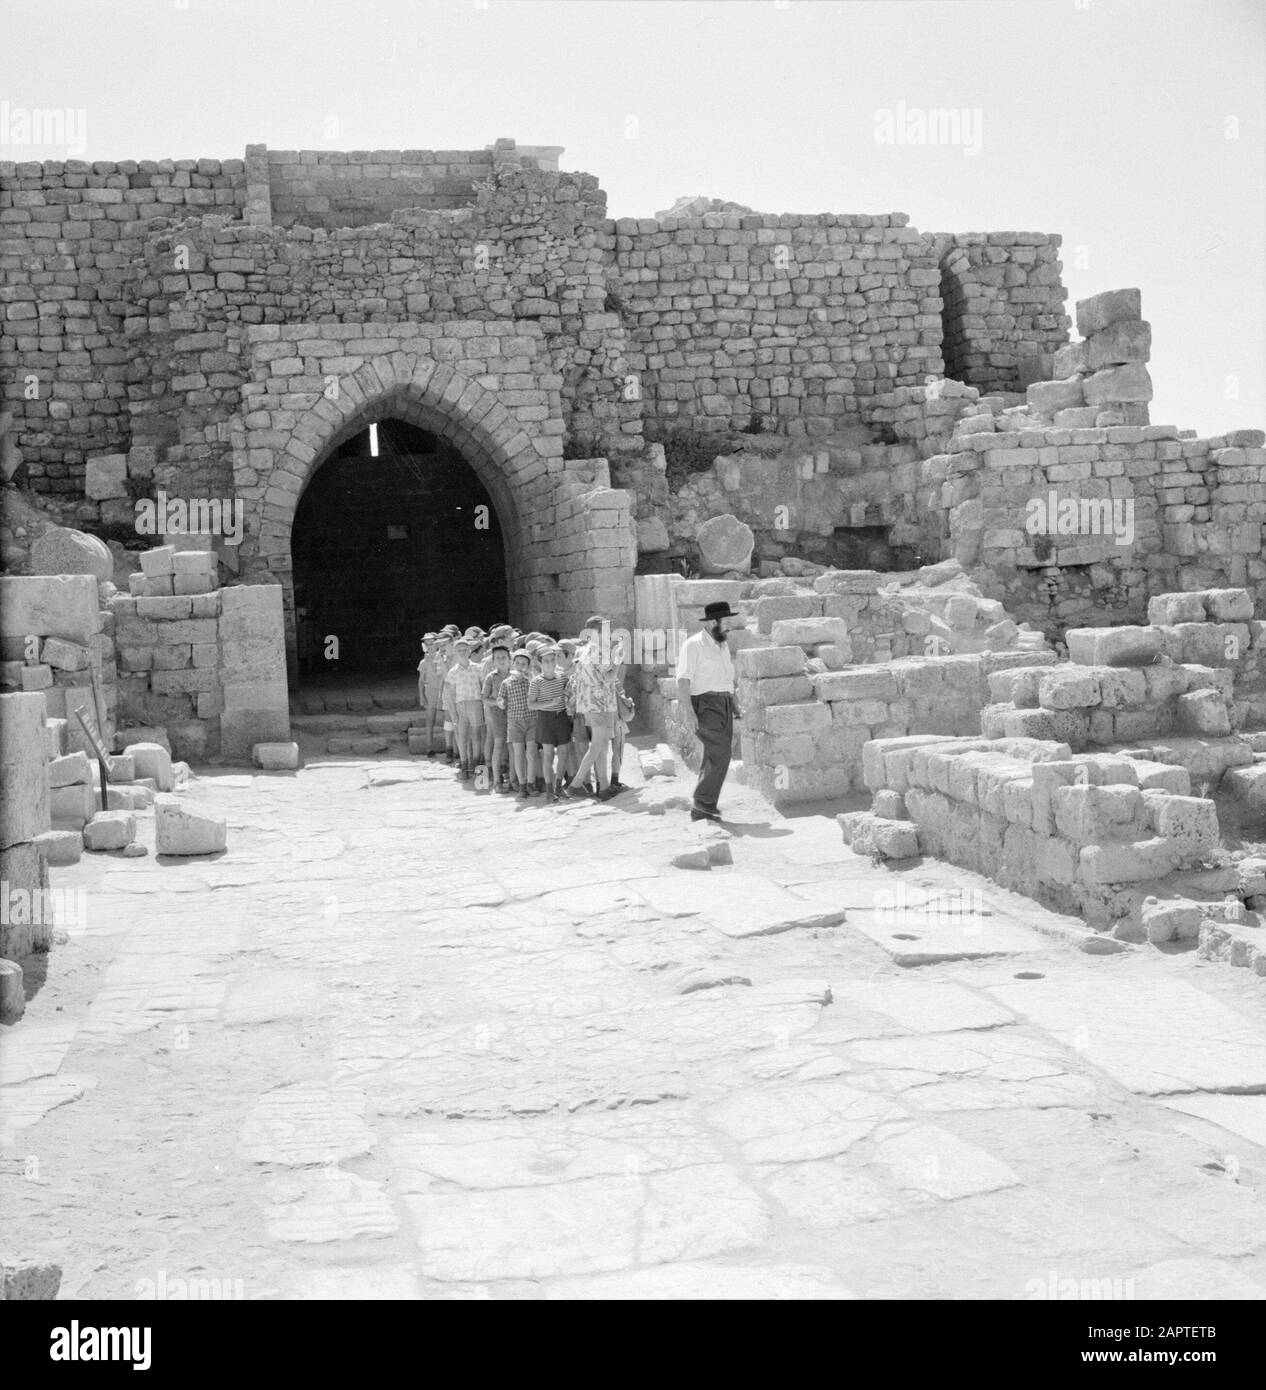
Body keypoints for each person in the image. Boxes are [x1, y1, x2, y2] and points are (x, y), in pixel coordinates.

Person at [676, 601, 743, 822]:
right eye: (727, 622)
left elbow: (724, 678)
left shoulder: (721, 645)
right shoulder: (693, 645)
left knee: (715, 754)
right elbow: (683, 681)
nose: (729, 627)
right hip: (704, 705)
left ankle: (705, 806)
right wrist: (688, 713)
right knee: (722, 752)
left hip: (723, 704)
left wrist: (733, 704)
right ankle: (702, 802)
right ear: (714, 622)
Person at [561, 615, 626, 803]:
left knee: (602, 746)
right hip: (600, 704)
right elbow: (609, 677)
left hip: (590, 703)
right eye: (604, 629)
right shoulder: (600, 652)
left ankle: (604, 788)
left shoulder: (583, 651)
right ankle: (576, 784)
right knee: (598, 745)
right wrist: (618, 659)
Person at [528, 645, 571, 802]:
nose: (550, 663)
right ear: (540, 663)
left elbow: (569, 696)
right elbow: (531, 704)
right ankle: (549, 790)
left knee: (563, 753)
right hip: (545, 719)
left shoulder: (563, 678)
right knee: (548, 755)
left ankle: (558, 786)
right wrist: (548, 703)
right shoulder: (536, 682)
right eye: (546, 661)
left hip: (561, 718)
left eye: (553, 660)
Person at [446, 637, 486, 781]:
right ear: (455, 652)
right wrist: (452, 712)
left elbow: (483, 689)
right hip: (460, 705)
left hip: (475, 704)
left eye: (465, 650)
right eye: (459, 650)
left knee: (476, 736)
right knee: (462, 738)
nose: (462, 652)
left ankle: (476, 763)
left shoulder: (478, 668)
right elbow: (450, 694)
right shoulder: (453, 672)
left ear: (469, 651)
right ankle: (464, 765)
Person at [499, 649, 537, 797]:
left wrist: (530, 677)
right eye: (518, 663)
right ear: (513, 664)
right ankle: (521, 784)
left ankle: (531, 783)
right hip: (515, 722)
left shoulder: (531, 681)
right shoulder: (506, 683)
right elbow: (501, 699)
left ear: (528, 665)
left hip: (532, 720)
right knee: (518, 754)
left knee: (531, 754)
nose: (521, 666)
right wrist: (501, 702)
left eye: (524, 663)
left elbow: (537, 695)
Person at [482, 643, 512, 792]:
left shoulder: (515, 676)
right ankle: (497, 781)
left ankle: (514, 779)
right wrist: (497, 703)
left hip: (514, 714)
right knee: (499, 743)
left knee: (513, 745)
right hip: (497, 714)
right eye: (498, 658)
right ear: (493, 661)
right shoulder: (491, 677)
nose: (501, 660)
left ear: (509, 659)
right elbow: (484, 698)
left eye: (504, 657)